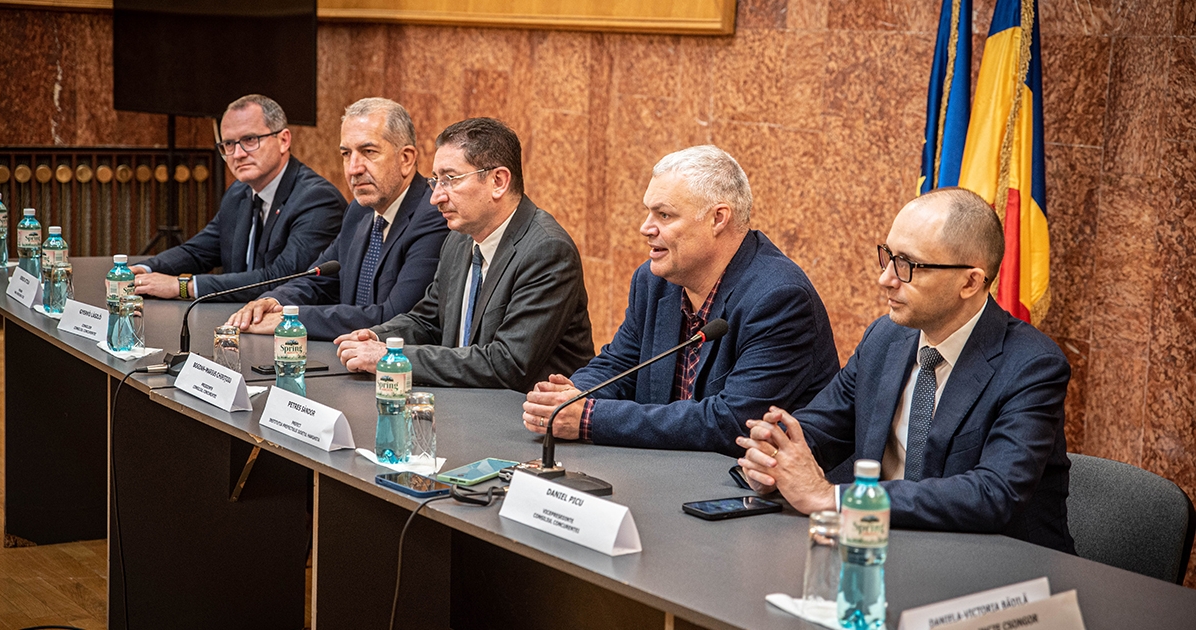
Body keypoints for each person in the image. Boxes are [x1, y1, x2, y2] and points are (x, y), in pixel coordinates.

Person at [737, 187, 1075, 552]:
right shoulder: (886, 338)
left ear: (970, 282)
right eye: (887, 256)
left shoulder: (1032, 365)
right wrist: (775, 460)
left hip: (996, 572)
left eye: (908, 265)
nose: (886, 278)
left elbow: (993, 493)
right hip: (880, 552)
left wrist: (833, 498)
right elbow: (819, 429)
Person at [520, 145, 840, 456]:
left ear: (718, 219)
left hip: (750, 492)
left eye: (664, 215)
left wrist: (589, 418)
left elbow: (733, 422)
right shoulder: (653, 281)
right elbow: (620, 363)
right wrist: (571, 396)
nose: (645, 228)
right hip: (667, 471)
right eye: (648, 212)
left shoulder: (780, 298)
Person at [334, 117, 594, 392]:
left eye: (450, 179)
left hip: (522, 419)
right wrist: (376, 336)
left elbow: (506, 364)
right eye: (436, 181)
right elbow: (429, 320)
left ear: (498, 181)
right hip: (465, 405)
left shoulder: (547, 251)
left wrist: (391, 358)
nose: (436, 197)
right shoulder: (459, 240)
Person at [226, 98, 449, 340]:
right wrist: (275, 301)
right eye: (346, 154)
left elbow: (394, 318)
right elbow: (317, 280)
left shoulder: (433, 216)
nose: (353, 168)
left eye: (368, 152)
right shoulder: (359, 211)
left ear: (406, 158)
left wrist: (290, 320)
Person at [133, 94, 345, 301]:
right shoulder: (239, 192)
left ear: (283, 140)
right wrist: (143, 270)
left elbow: (280, 278)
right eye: (229, 144)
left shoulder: (317, 200)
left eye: (250, 140)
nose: (237, 154)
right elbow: (198, 251)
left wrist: (182, 287)